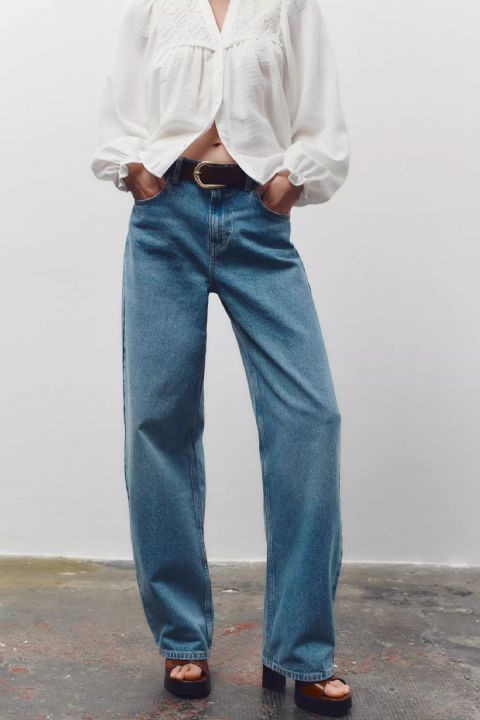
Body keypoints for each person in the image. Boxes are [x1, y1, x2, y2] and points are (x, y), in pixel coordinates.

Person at [91, 0, 352, 714]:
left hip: (257, 220)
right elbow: (121, 108)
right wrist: (134, 169)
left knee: (311, 419)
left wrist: (294, 179)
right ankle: (182, 639)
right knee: (158, 423)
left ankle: (301, 651)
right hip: (164, 219)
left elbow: (320, 112)